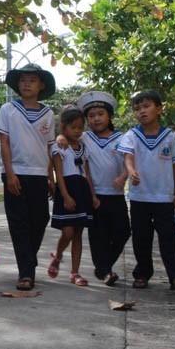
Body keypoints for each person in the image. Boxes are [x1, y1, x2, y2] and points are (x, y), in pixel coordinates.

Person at [117, 90, 175, 291]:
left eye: (146, 106)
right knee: (141, 238)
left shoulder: (170, 137)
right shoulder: (132, 135)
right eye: (137, 108)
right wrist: (131, 171)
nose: (141, 111)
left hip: (164, 197)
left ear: (159, 109)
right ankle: (142, 274)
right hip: (140, 197)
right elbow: (128, 157)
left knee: (168, 238)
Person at [0, 63, 56, 291]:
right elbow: (4, 142)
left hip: (39, 174)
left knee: (40, 219)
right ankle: (26, 273)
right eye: (23, 80)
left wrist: (51, 178)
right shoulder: (8, 109)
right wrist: (10, 173)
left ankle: (28, 260)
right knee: (18, 223)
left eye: (32, 80)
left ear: (41, 85)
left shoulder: (48, 114)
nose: (27, 84)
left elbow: (49, 147)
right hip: (15, 173)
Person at [77, 91, 130, 286]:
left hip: (116, 195)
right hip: (94, 196)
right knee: (98, 236)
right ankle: (105, 271)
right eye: (91, 116)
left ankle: (102, 267)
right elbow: (66, 136)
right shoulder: (84, 138)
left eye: (100, 114)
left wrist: (123, 176)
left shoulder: (122, 138)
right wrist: (60, 138)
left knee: (123, 232)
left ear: (110, 116)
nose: (96, 119)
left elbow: (130, 161)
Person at [48, 107, 99, 287]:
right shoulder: (59, 147)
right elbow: (59, 174)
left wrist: (93, 195)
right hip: (67, 191)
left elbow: (87, 173)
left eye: (80, 127)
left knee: (78, 233)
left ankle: (75, 272)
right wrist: (65, 196)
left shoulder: (83, 148)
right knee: (68, 232)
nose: (77, 131)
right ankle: (58, 255)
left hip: (82, 191)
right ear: (63, 127)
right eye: (73, 127)